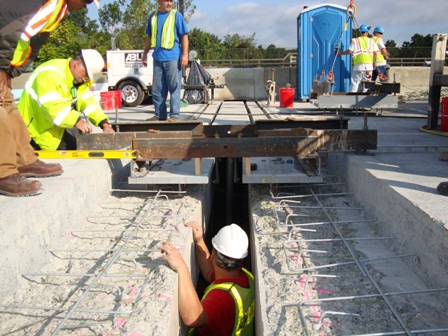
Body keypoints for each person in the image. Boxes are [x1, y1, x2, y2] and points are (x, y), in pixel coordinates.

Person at [0, 0, 100, 196]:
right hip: (2, 58)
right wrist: (2, 66)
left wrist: (10, 70)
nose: (85, 6)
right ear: (77, 65)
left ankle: (24, 161)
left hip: (6, 62)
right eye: (86, 0)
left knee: (8, 105)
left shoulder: (57, 9)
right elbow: (12, 29)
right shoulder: (50, 4)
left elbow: (29, 42)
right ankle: (4, 173)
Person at [160, 221, 255, 336]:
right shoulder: (245, 276)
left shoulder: (221, 298)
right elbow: (209, 272)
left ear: (213, 255)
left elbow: (193, 318)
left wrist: (182, 268)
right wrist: (199, 241)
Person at [18, 49, 115, 150]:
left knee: (80, 145)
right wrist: (76, 121)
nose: (84, 79)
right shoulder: (50, 74)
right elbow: (52, 107)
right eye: (85, 74)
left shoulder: (75, 80)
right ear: (76, 64)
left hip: (51, 129)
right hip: (32, 132)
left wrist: (104, 124)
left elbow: (88, 104)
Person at [142, 0, 189, 122]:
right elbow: (149, 37)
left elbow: (184, 35)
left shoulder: (176, 15)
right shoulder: (153, 17)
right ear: (159, 1)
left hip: (173, 57)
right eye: (166, 0)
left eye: (171, 1)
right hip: (157, 58)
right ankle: (159, 115)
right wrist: (145, 54)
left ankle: (174, 115)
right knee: (158, 89)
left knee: (174, 87)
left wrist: (185, 55)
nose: (169, 3)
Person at [337, 24, 380, 92]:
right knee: (367, 84)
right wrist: (374, 63)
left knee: (355, 83)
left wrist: (340, 53)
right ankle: (365, 100)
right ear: (366, 33)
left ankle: (351, 98)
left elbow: (349, 51)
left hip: (358, 66)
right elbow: (375, 53)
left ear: (360, 32)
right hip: (369, 66)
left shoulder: (356, 41)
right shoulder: (371, 41)